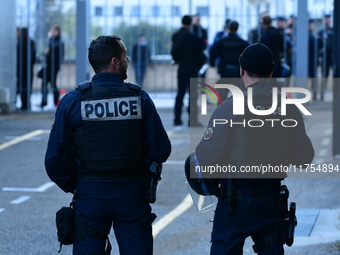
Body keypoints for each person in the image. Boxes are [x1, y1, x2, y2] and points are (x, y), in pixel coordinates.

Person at [45, 35, 171, 255]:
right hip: (131, 195)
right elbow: (161, 150)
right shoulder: (139, 99)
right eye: (124, 56)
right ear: (115, 62)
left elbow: (55, 159)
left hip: (89, 196)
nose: (127, 60)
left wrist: (78, 185)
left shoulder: (72, 101)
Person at [194, 43, 314, 254]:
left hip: (234, 204)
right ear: (270, 73)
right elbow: (304, 158)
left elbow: (205, 158)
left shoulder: (229, 108)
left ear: (241, 71)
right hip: (272, 204)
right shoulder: (289, 110)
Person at [171, 15, 206, 126]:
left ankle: (177, 119)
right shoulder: (193, 36)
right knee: (193, 95)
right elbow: (203, 47)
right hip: (192, 69)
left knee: (180, 94)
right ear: (190, 23)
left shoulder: (176, 35)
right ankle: (192, 120)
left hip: (181, 67)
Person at [209, 21, 249, 98]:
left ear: (228, 28)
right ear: (237, 29)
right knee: (239, 94)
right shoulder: (242, 42)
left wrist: (212, 63)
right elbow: (248, 54)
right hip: (237, 70)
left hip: (224, 70)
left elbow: (213, 52)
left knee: (222, 94)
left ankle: (222, 109)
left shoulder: (221, 41)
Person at [39, 25, 64, 108]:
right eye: (52, 31)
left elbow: (54, 48)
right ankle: (44, 102)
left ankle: (56, 103)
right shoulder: (51, 40)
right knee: (44, 83)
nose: (53, 32)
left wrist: (49, 39)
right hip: (48, 65)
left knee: (53, 84)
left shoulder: (59, 41)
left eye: (55, 31)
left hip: (54, 66)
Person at [16, 27, 36, 110]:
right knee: (28, 85)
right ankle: (27, 104)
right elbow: (34, 56)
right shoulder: (31, 42)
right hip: (29, 68)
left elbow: (17, 56)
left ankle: (23, 104)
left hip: (20, 68)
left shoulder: (19, 43)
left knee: (21, 85)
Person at [317, 14, 333, 101]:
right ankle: (322, 94)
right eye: (326, 19)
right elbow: (318, 47)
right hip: (325, 58)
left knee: (336, 75)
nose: (327, 20)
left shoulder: (334, 31)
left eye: (328, 19)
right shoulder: (320, 33)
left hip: (333, 58)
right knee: (324, 76)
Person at [308, 19, 318, 101]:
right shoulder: (311, 36)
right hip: (311, 59)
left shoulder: (310, 36)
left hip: (311, 59)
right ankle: (314, 95)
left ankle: (314, 95)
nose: (312, 26)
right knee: (313, 77)